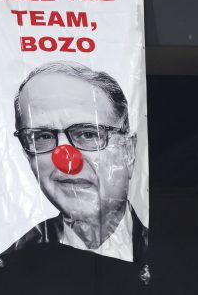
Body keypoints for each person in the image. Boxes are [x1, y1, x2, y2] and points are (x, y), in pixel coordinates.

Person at [10, 61, 147, 262]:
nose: (66, 160)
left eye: (88, 133)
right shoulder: (13, 261)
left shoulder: (178, 253)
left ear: (128, 149)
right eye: (43, 136)